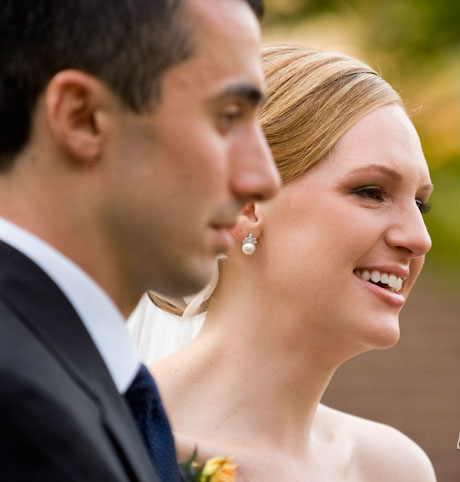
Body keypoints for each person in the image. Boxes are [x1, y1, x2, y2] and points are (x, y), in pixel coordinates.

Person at [130, 44, 437, 481]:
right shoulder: (106, 437)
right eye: (371, 192)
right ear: (245, 203)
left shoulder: (392, 469)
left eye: (421, 205)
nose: (419, 238)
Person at [0, 1, 279, 481]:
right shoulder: (19, 403)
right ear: (83, 117)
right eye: (227, 116)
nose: (265, 178)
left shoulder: (79, 374)